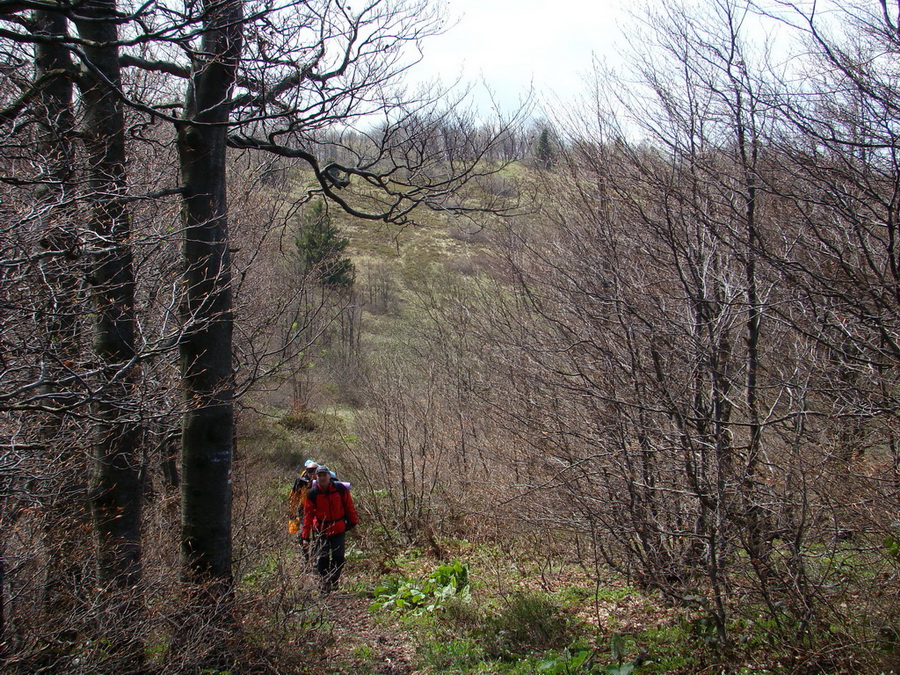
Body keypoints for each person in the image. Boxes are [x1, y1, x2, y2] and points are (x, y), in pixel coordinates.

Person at [301, 464, 358, 592]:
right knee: (322, 559)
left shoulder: (340, 489)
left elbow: (349, 506)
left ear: (329, 475)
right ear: (317, 477)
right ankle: (324, 584)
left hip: (338, 529)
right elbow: (308, 516)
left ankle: (333, 581)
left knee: (339, 559)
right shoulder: (313, 494)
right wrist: (305, 536)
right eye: (319, 475)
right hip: (321, 531)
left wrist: (353, 522)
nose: (322, 478)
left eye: (324, 475)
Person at [288, 460, 318, 537]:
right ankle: (304, 545)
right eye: (310, 472)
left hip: (318, 510)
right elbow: (294, 496)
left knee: (317, 531)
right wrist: (292, 512)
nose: (312, 474)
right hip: (304, 509)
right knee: (303, 531)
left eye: (315, 472)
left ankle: (316, 546)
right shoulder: (301, 481)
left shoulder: (321, 480)